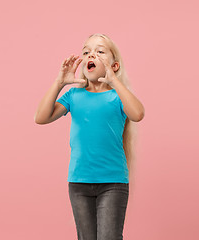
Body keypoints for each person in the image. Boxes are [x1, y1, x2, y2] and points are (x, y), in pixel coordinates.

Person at [34, 33, 145, 240]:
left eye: (100, 51)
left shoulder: (117, 96)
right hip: (78, 182)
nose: (91, 54)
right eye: (86, 51)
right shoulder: (74, 95)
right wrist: (59, 82)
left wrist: (115, 81)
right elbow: (41, 117)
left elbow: (138, 114)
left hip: (112, 183)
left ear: (114, 66)